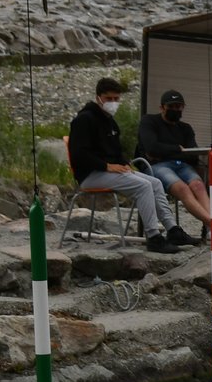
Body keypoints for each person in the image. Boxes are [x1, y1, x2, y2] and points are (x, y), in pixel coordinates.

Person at [67, 77, 192, 253]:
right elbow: (79, 154)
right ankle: (153, 237)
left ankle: (173, 230)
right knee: (143, 186)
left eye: (116, 99)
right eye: (109, 99)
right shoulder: (84, 120)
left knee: (154, 183)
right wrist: (107, 166)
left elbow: (115, 151)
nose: (113, 103)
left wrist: (125, 164)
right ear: (98, 97)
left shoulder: (110, 121)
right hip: (90, 174)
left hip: (108, 170)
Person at [135, 89, 212, 237]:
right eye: (171, 107)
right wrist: (177, 149)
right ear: (162, 107)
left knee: (198, 185)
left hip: (180, 165)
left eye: (178, 107)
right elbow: (151, 147)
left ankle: (210, 228)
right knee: (182, 188)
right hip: (156, 167)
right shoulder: (149, 121)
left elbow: (193, 154)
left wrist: (164, 151)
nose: (175, 110)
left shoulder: (186, 128)